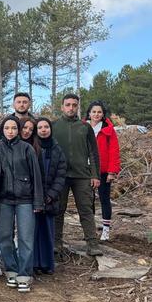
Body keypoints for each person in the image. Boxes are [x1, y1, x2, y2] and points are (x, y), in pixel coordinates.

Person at [0, 117, 43, 293]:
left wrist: (38, 201)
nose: (10, 131)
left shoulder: (27, 148)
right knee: (5, 238)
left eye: (13, 128)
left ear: (18, 130)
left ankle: (24, 274)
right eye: (7, 128)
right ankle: (12, 269)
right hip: (4, 200)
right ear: (3, 130)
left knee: (25, 238)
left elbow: (36, 176)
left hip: (25, 199)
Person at [53, 94, 102, 257]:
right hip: (60, 176)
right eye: (68, 105)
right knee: (58, 210)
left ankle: (92, 243)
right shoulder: (54, 126)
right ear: (62, 107)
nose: (71, 108)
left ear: (78, 107)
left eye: (74, 105)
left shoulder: (85, 127)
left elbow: (93, 153)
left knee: (86, 210)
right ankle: (56, 242)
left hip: (82, 175)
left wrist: (95, 175)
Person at [33, 118, 67, 273]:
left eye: (46, 127)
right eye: (40, 127)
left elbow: (61, 175)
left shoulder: (57, 149)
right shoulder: (32, 147)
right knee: (34, 232)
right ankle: (35, 264)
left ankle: (47, 264)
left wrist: (52, 194)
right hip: (35, 197)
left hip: (51, 198)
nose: (43, 130)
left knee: (48, 231)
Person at [86, 101, 120, 241]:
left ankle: (106, 230)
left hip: (103, 170)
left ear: (103, 114)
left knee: (104, 199)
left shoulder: (108, 130)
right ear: (89, 113)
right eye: (94, 112)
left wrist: (112, 171)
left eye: (99, 112)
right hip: (86, 169)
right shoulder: (83, 127)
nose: (96, 114)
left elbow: (114, 150)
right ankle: (90, 230)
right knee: (88, 200)